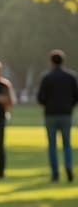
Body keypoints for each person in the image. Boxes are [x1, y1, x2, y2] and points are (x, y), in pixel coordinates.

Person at [36, 49, 78, 183]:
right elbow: (76, 96)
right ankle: (68, 167)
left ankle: (55, 173)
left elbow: (41, 97)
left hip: (51, 114)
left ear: (51, 62)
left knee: (52, 145)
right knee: (67, 144)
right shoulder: (71, 77)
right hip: (66, 114)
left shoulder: (47, 77)